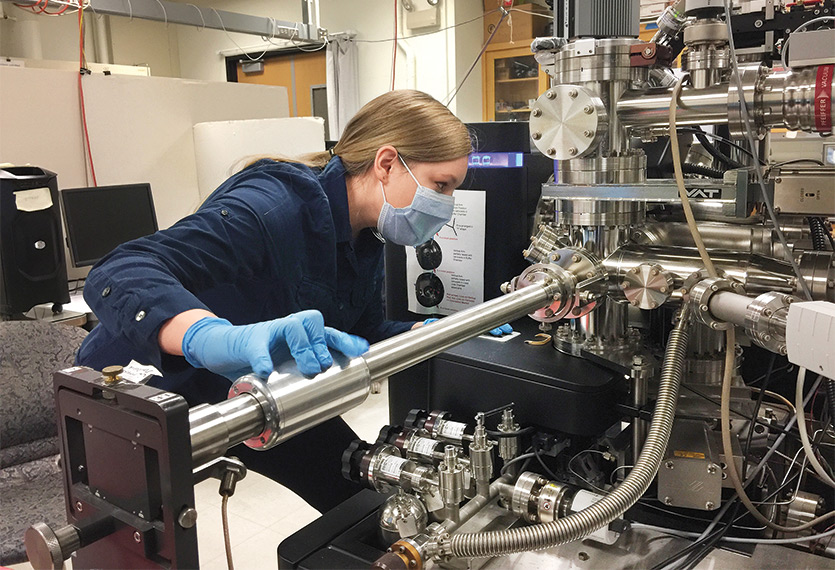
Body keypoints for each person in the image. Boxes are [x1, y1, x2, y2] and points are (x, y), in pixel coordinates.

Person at [75, 89, 475, 513]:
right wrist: (209, 337)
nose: (446, 206)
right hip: (137, 386)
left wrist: (424, 333)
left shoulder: (367, 235)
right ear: (387, 163)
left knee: (364, 504)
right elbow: (120, 270)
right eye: (440, 186)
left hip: (248, 389)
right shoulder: (274, 205)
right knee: (143, 535)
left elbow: (359, 332)